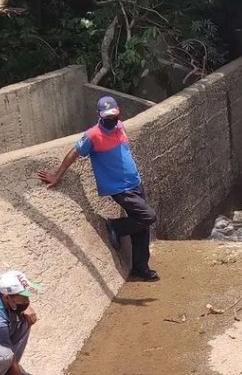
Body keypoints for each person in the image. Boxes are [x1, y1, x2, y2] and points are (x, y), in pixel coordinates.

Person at [38, 95, 160, 282]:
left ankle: (140, 267)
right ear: (99, 115)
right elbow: (74, 152)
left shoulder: (120, 126)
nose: (112, 120)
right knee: (148, 216)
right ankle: (115, 227)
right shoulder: (93, 135)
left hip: (135, 183)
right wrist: (57, 175)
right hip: (119, 188)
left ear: (118, 113)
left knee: (142, 227)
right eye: (107, 117)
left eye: (114, 116)